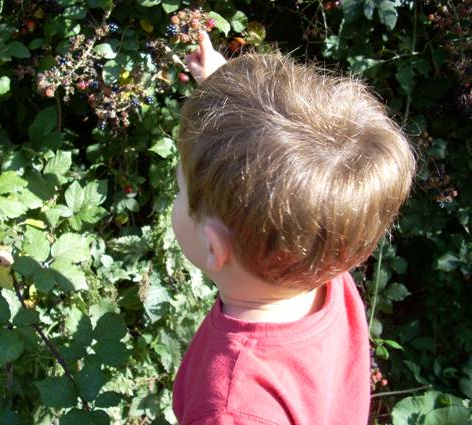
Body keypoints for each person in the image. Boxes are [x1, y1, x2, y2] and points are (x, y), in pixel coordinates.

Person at [170, 32, 415, 425]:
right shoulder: (319, 257)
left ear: (213, 247)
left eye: (179, 190)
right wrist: (219, 86)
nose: (177, 198)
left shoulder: (232, 405)